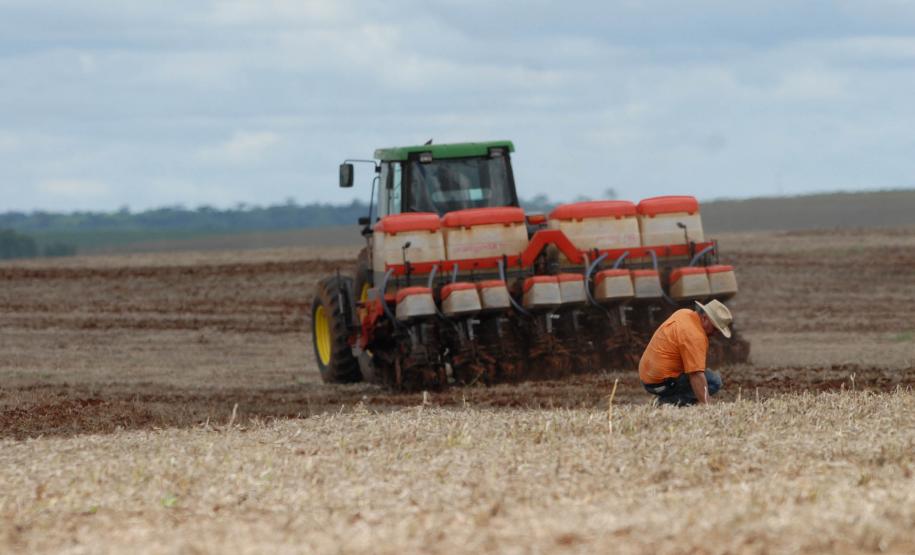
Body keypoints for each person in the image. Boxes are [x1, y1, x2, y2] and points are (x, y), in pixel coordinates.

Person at [638, 299, 733, 406]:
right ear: (705, 318)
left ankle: (669, 398)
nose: (715, 333)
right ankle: (666, 402)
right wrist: (707, 405)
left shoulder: (684, 313)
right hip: (660, 384)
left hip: (647, 377)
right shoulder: (695, 336)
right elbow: (696, 374)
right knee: (713, 381)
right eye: (715, 329)